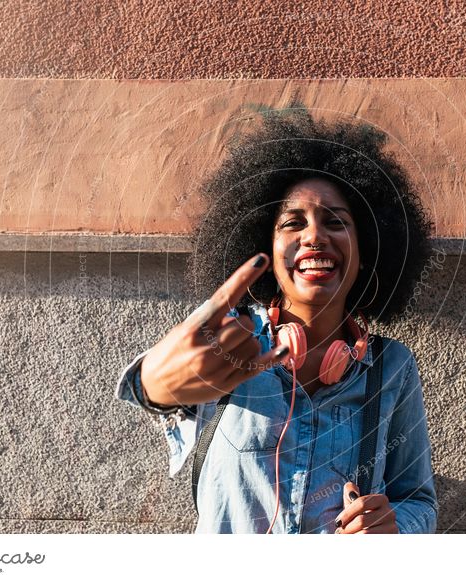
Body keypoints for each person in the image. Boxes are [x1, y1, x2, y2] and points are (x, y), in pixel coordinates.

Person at [116, 102, 438, 533]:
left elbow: (418, 501)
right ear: (263, 249)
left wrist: (393, 528)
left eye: (335, 222)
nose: (314, 236)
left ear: (366, 254)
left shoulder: (392, 368)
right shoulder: (231, 337)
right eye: (292, 223)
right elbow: (151, 384)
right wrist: (155, 385)